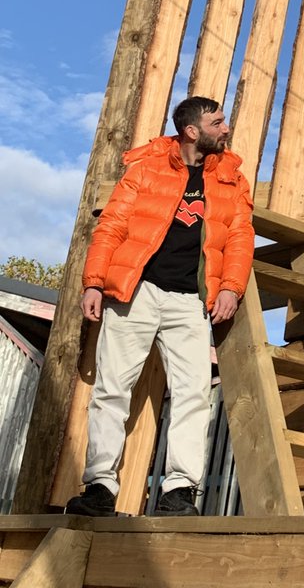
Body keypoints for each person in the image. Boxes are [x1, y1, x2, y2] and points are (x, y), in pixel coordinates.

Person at [66, 96, 254, 517]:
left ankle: (179, 492)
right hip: (136, 294)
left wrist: (231, 288)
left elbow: (241, 236)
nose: (225, 129)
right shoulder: (146, 169)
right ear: (192, 131)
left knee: (191, 394)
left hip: (190, 301)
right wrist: (94, 282)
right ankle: (99, 487)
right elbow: (111, 225)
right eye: (217, 122)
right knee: (112, 390)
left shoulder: (231, 179)